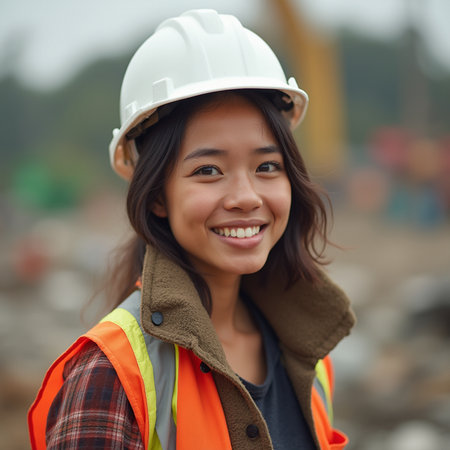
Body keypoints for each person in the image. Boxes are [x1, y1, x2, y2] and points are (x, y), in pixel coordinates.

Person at [28, 9, 355, 450]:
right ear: (157, 195)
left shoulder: (309, 354)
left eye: (266, 166)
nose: (246, 196)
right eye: (208, 170)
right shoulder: (111, 375)